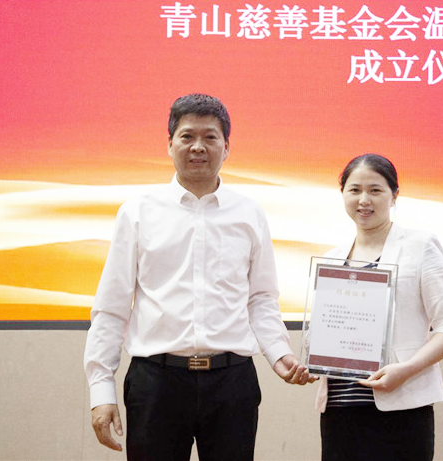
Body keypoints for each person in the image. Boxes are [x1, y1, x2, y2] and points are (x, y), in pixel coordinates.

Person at [84, 93, 310, 461]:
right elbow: (111, 307)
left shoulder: (249, 214)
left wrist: (279, 353)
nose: (198, 147)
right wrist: (100, 389)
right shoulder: (138, 212)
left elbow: (261, 299)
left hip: (232, 383)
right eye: (187, 136)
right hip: (155, 382)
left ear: (227, 147)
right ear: (169, 144)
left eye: (210, 137)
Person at [315, 154, 443, 461]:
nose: (364, 200)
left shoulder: (420, 246)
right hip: (340, 411)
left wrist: (405, 370)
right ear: (343, 194)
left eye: (375, 190)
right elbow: (327, 330)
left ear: (394, 195)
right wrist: (313, 355)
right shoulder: (332, 259)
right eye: (354, 190)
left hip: (402, 407)